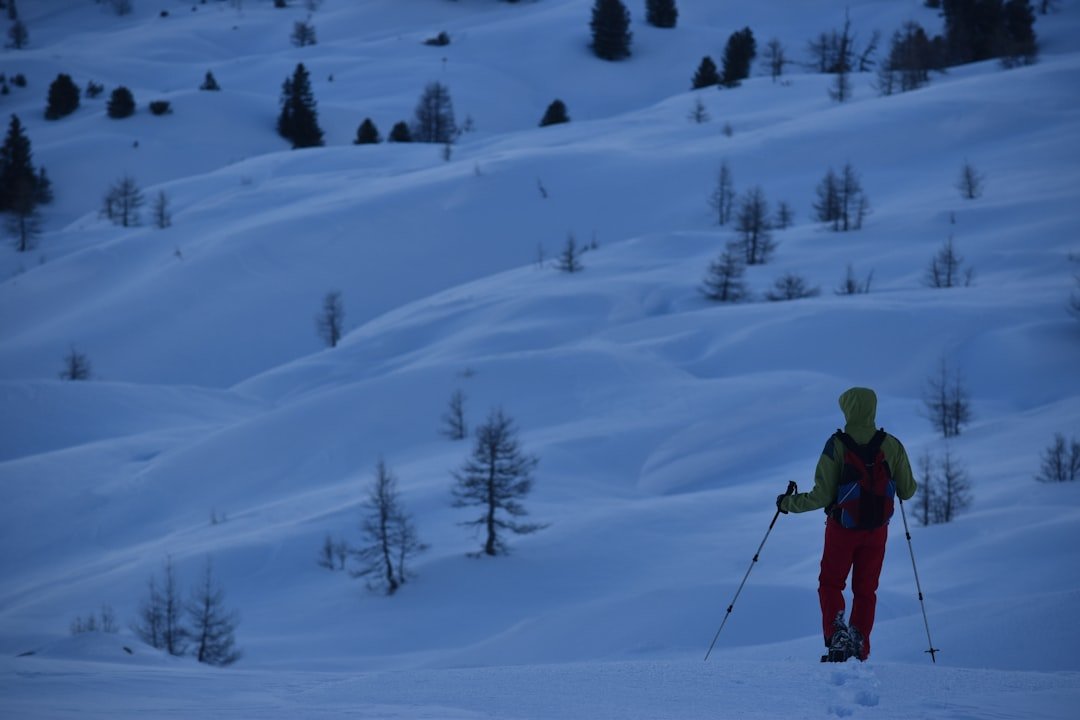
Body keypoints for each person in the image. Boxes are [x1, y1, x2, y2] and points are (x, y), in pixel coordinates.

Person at [777, 387, 916, 662]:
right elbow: (908, 490)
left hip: (842, 529)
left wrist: (787, 504)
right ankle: (859, 643)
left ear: (847, 409)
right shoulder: (892, 444)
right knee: (866, 590)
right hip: (877, 531)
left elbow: (822, 496)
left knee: (830, 583)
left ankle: (837, 636)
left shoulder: (836, 445)